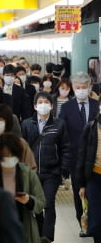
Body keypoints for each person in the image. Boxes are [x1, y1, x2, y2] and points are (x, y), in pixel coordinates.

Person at [21, 91, 70, 243]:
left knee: (48, 204)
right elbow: (22, 148)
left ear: (51, 105)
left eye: (46, 102)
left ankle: (47, 237)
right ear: (35, 106)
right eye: (40, 102)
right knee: (36, 206)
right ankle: (38, 234)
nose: (43, 105)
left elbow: (66, 148)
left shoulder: (59, 124)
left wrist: (63, 170)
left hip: (52, 172)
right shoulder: (27, 124)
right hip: (32, 172)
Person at [0, 132, 46, 243]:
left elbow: (41, 203)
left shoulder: (28, 173)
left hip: (23, 230)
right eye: (5, 155)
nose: (8, 158)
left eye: (11, 155)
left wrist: (29, 200)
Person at [59, 72, 99, 227]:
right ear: (73, 89)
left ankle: (95, 220)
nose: (81, 90)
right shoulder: (67, 107)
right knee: (78, 190)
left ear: (90, 87)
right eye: (78, 87)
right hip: (75, 157)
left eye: (84, 87)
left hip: (96, 157)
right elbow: (63, 133)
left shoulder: (97, 106)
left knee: (94, 190)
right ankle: (82, 221)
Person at [77, 100, 101, 243]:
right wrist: (82, 184)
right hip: (94, 177)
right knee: (96, 219)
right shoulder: (91, 127)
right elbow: (82, 156)